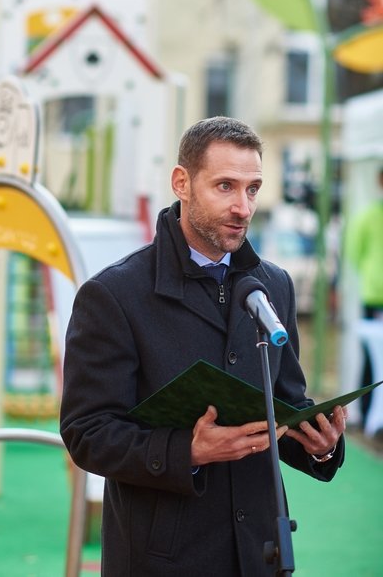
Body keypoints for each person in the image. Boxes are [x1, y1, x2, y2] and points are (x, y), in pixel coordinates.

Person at [60, 116, 346, 577]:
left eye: (253, 189)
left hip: (261, 553)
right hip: (163, 559)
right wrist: (187, 451)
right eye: (225, 186)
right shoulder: (114, 295)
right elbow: (87, 434)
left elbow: (287, 404)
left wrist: (319, 443)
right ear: (182, 183)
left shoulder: (275, 285)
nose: (243, 206)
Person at [345, 166, 383, 425]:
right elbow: (354, 253)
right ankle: (368, 414)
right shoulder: (368, 216)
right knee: (372, 358)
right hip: (374, 298)